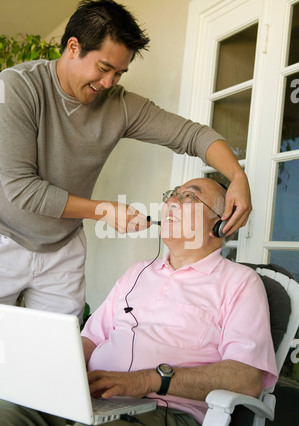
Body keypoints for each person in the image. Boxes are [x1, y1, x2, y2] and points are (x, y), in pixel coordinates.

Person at [0, 0, 252, 320]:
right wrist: (102, 210)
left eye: (119, 73)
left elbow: (194, 135)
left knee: (57, 353)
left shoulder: (121, 106)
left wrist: (238, 177)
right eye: (104, 68)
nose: (108, 83)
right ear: (73, 47)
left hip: (62, 249)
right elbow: (21, 189)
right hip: (4, 236)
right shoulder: (17, 87)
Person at [0, 177, 277, 426]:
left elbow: (246, 378)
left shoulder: (240, 282)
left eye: (189, 196)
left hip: (167, 414)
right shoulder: (138, 271)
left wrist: (146, 380)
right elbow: (90, 339)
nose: (171, 202)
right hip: (90, 399)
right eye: (172, 194)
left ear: (219, 224)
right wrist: (59, 375)